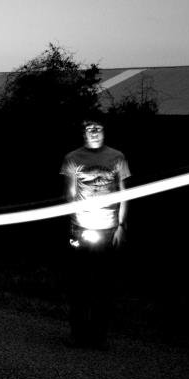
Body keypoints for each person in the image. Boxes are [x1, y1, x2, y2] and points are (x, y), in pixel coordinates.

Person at [60, 119, 130, 349]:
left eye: (98, 128)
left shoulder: (117, 157)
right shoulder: (73, 158)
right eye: (90, 129)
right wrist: (72, 225)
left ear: (104, 131)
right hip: (81, 228)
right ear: (83, 133)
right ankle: (78, 334)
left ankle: (99, 336)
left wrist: (121, 226)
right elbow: (69, 194)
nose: (94, 132)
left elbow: (124, 194)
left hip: (108, 229)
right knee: (79, 284)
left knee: (104, 285)